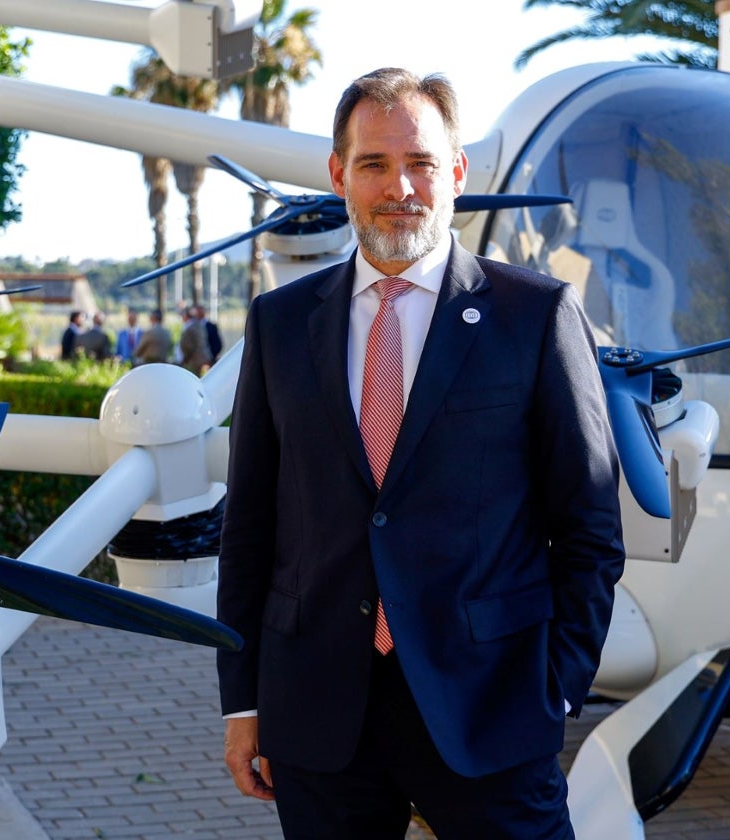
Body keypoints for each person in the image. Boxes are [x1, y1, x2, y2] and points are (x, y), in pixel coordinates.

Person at [218, 67, 624, 839]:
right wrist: (245, 701)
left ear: (457, 173)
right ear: (339, 174)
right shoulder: (280, 324)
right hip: (319, 718)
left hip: (491, 712)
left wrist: (558, 690)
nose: (399, 186)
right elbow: (251, 530)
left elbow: (589, 527)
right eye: (373, 164)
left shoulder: (534, 317)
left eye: (421, 164)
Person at [178, 304, 212, 375]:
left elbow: (188, 346)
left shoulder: (189, 328)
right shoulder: (199, 325)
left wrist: (185, 359)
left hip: (195, 360)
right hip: (203, 358)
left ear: (186, 316)